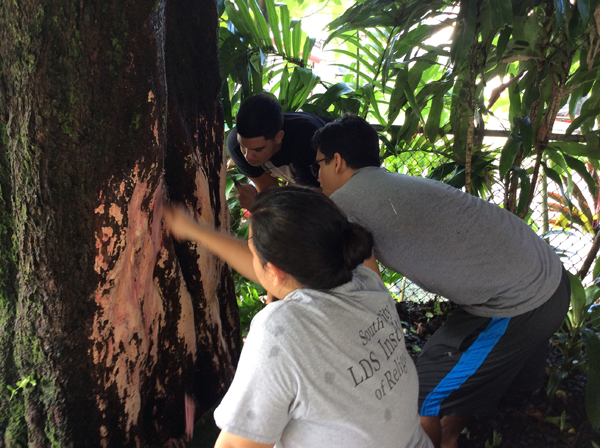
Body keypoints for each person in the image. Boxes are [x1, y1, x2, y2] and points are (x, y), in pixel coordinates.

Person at [311, 115, 571, 448]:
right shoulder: (387, 183)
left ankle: (444, 438)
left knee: (416, 397)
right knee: (477, 375)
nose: (316, 175)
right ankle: (459, 424)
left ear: (337, 162)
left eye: (318, 164)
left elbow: (371, 290)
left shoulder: (343, 204)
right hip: (544, 274)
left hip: (520, 304)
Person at [164, 186, 433, 448]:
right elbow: (270, 275)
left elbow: (235, 445)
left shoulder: (281, 332)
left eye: (254, 251)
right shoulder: (364, 280)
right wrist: (193, 230)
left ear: (276, 271)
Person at [227, 94, 333, 209]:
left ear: (278, 137)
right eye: (244, 146)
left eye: (258, 149)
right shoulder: (235, 145)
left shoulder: (305, 139)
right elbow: (270, 191)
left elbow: (309, 205)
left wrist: (256, 204)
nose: (248, 156)